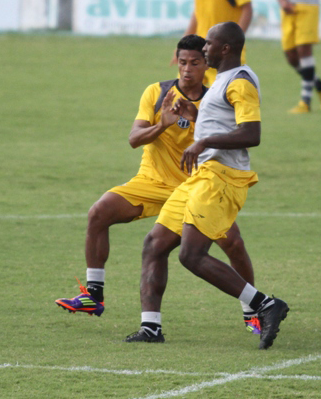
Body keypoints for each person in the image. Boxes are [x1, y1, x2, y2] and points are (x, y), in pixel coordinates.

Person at [56, 34, 261, 335]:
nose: (187, 69)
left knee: (233, 243)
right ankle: (93, 295)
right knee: (98, 213)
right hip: (152, 182)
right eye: (182, 62)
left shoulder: (215, 100)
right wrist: (162, 123)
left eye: (194, 62)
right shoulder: (157, 92)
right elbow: (133, 139)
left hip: (196, 185)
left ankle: (252, 313)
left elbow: (226, 141)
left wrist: (192, 122)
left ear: (207, 64)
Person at [125, 22, 289, 349]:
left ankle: (264, 304)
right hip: (201, 175)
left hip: (221, 176)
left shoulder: (240, 82)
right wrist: (195, 117)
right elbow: (220, 123)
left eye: (209, 45)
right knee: (154, 244)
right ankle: (151, 327)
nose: (203, 50)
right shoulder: (222, 81)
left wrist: (203, 142)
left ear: (225, 48)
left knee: (192, 255)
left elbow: (251, 134)